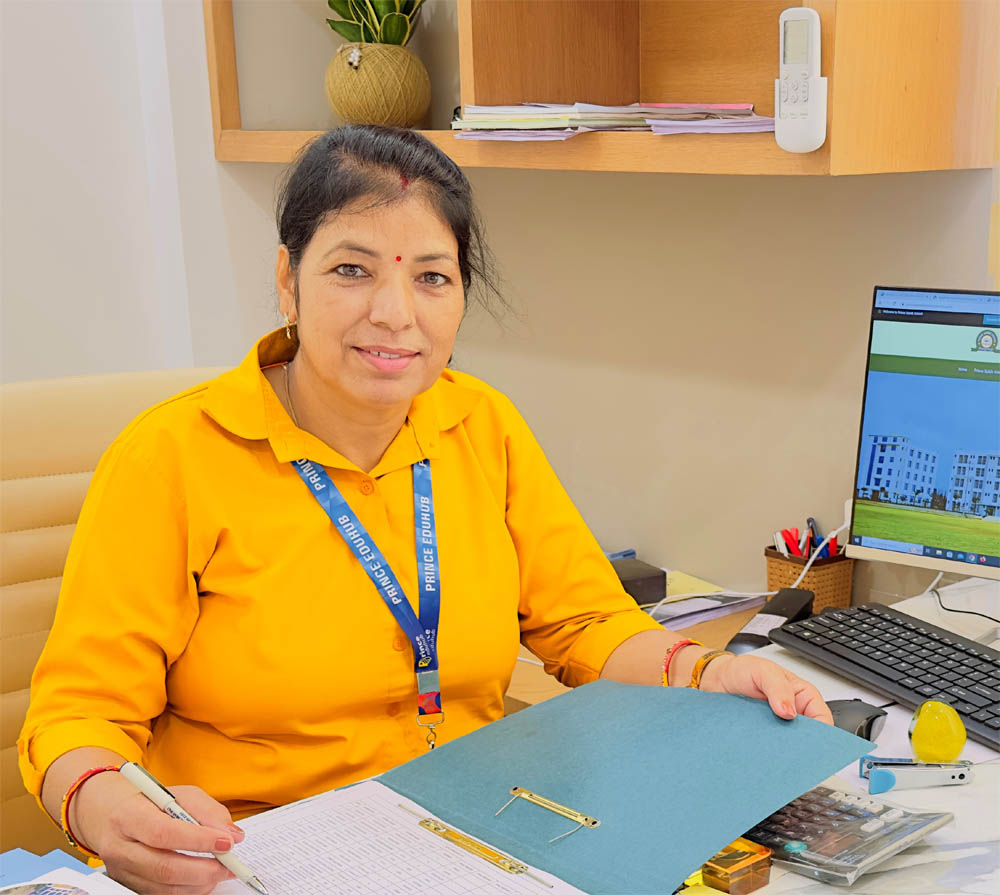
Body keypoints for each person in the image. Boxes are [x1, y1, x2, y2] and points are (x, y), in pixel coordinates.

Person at [19, 125, 832, 894]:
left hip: (475, 834)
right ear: (287, 281)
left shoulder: (481, 424)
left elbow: (584, 621)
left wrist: (706, 671)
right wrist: (103, 803)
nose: (395, 313)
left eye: (431, 277)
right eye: (352, 269)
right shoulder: (171, 459)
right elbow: (78, 716)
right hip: (256, 855)